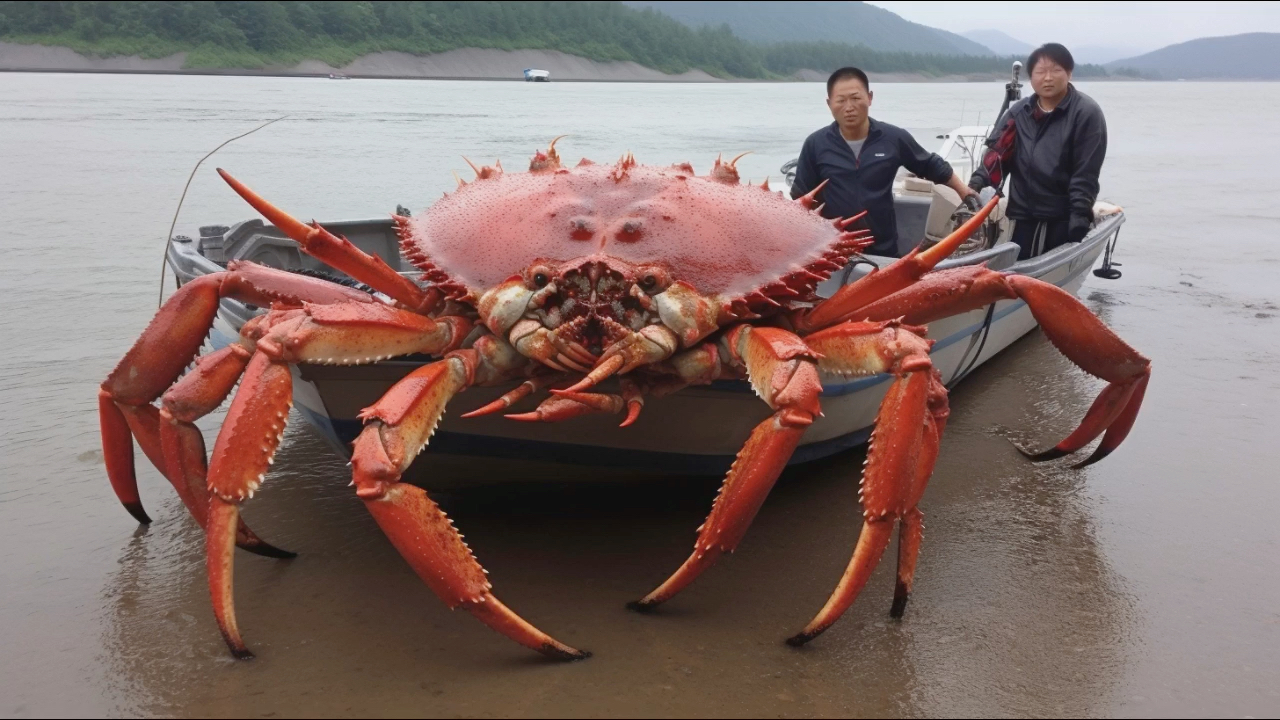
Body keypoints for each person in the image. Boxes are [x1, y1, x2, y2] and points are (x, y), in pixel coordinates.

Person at [791, 67, 978, 257]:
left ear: (870, 98)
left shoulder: (892, 138)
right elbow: (800, 198)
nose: (849, 107)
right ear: (829, 104)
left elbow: (930, 165)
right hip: (833, 251)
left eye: (856, 98)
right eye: (841, 100)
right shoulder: (816, 144)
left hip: (883, 249)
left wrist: (965, 192)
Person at [968, 43, 1108, 260]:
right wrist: (975, 188)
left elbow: (1086, 172)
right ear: (1031, 77)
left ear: (1069, 73)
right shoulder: (1019, 112)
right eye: (1040, 72)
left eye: (1056, 70)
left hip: (1061, 217)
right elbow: (996, 158)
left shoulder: (1086, 113)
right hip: (1023, 215)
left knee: (1048, 276)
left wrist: (1080, 214)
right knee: (1019, 273)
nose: (1048, 78)